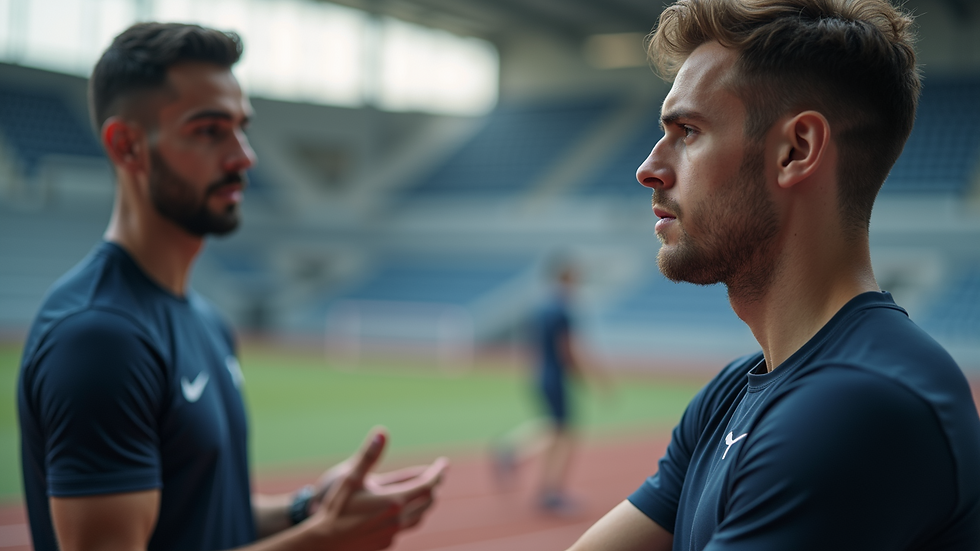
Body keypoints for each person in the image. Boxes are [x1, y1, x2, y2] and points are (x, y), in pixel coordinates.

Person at [16, 22, 447, 551]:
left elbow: (197, 512)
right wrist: (321, 543)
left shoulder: (205, 321)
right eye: (209, 130)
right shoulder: (99, 338)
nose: (244, 156)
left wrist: (307, 509)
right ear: (126, 145)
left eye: (241, 128)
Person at [567, 0, 980, 549]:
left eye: (687, 130)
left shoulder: (858, 406)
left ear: (796, 149)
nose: (649, 168)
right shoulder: (733, 393)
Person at [492, 258, 606, 514]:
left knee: (555, 428)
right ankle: (549, 491)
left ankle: (513, 453)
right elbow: (567, 349)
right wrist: (589, 380)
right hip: (555, 376)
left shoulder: (541, 307)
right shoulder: (561, 309)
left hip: (541, 372)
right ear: (567, 277)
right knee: (564, 434)